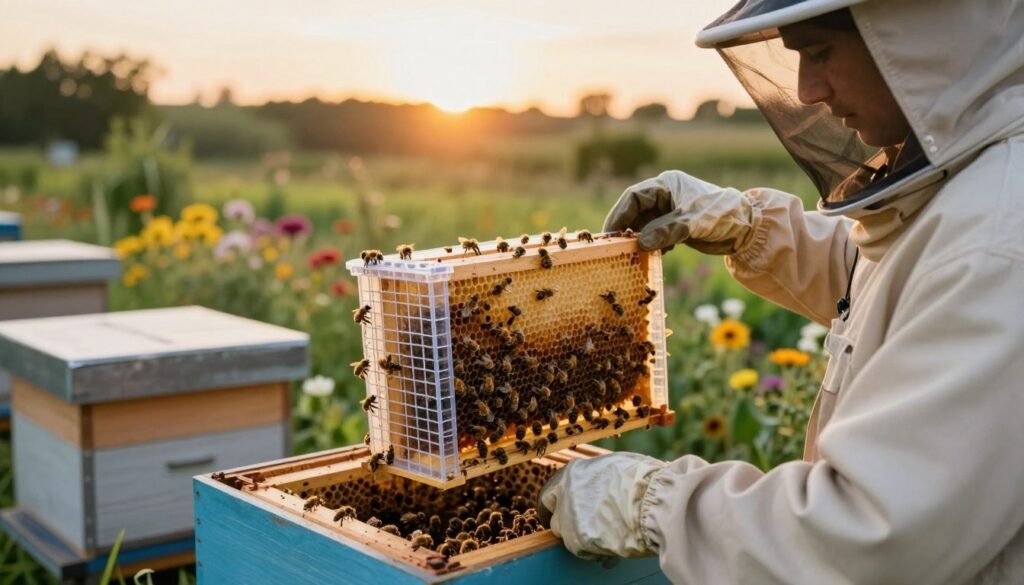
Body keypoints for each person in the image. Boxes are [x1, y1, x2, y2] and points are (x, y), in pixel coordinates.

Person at [539, 0, 1024, 583]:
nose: (806, 89)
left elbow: (870, 539)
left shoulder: (997, 244)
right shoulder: (975, 193)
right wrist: (753, 228)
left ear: (922, 39)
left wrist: (655, 506)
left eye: (820, 52)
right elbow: (894, 283)